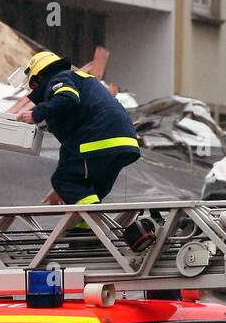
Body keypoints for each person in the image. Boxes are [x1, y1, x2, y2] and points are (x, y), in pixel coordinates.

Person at [15, 51, 154, 248]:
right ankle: (84, 234)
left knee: (64, 180)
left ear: (39, 77)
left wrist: (36, 113)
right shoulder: (80, 80)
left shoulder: (59, 78)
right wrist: (63, 187)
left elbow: (67, 99)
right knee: (86, 189)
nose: (33, 90)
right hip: (120, 143)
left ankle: (93, 226)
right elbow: (72, 144)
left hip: (99, 140)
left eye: (33, 84)